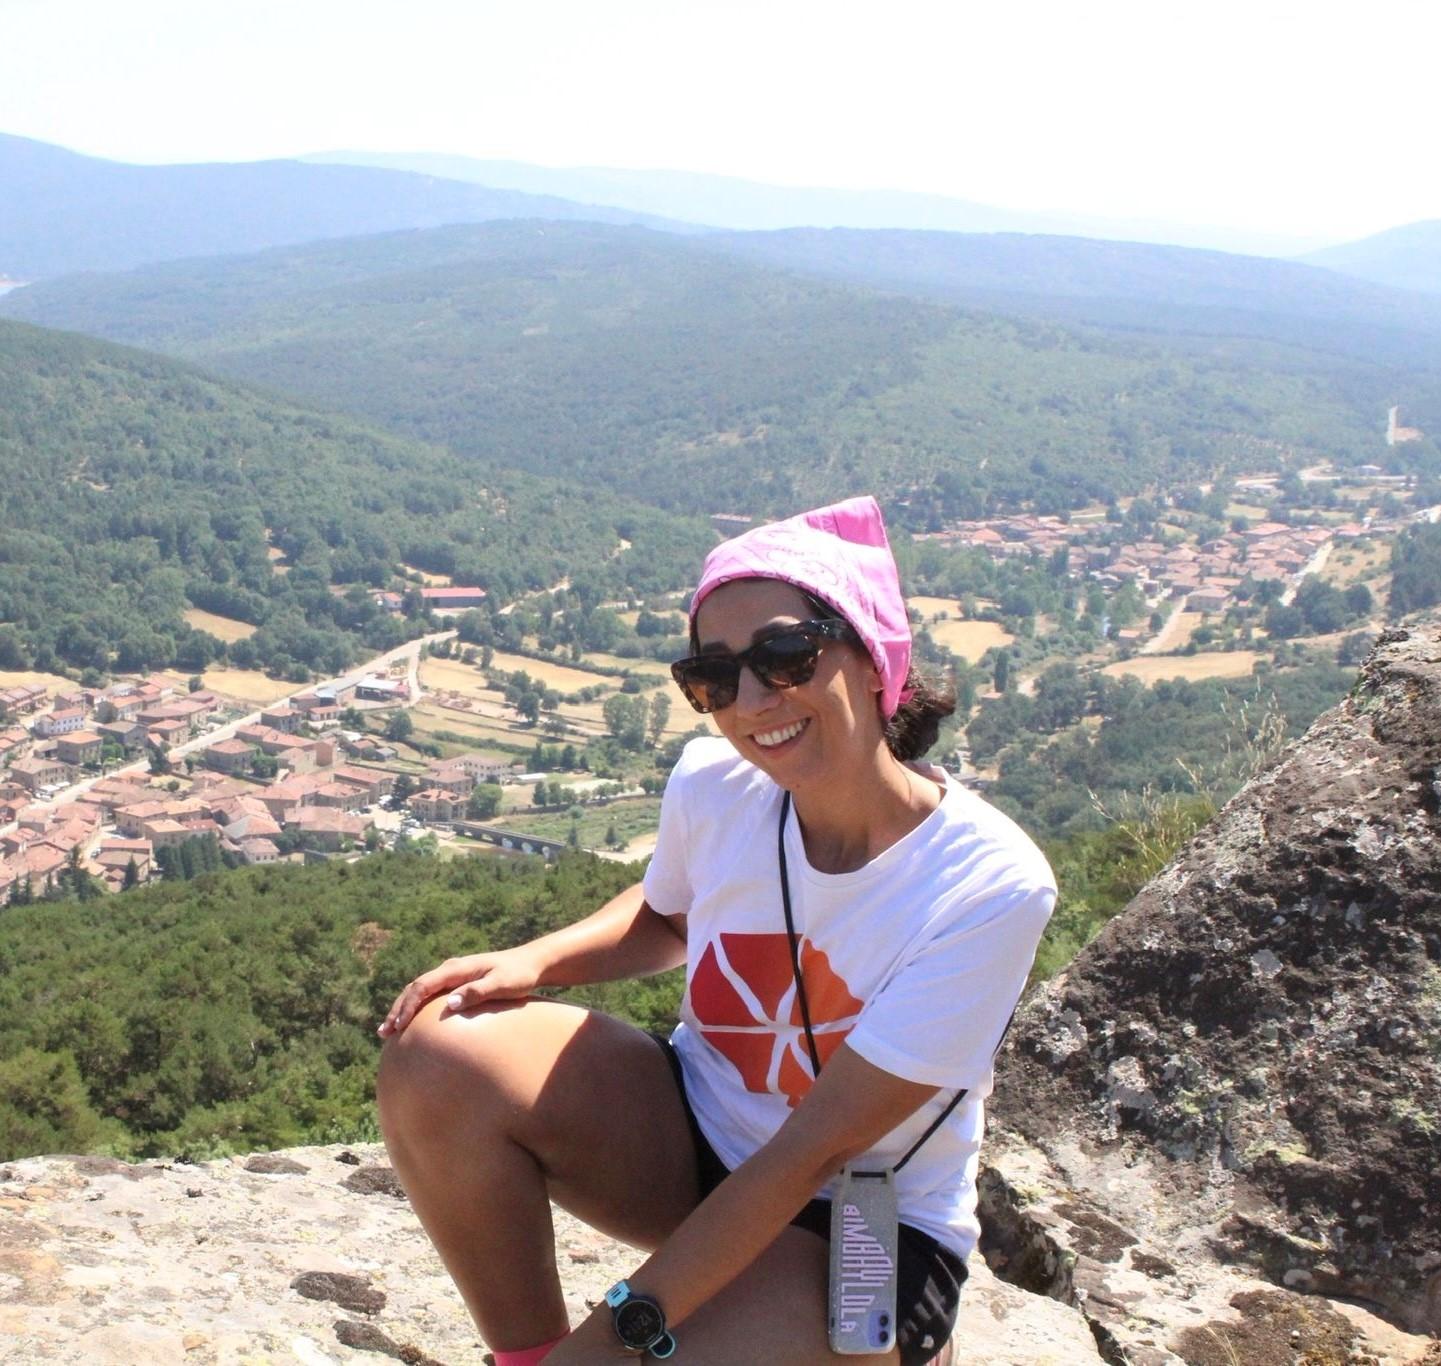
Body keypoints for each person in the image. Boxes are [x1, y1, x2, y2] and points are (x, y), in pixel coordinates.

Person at [376, 495, 1056, 1364]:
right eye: (714, 676)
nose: (752, 699)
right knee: (439, 1048)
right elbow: (666, 914)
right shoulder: (715, 783)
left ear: (872, 653)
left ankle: (871, 1345)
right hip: (699, 1141)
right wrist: (531, 961)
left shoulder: (987, 884)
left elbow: (815, 1151)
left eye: (785, 654)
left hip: (864, 1209)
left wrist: (620, 1337)